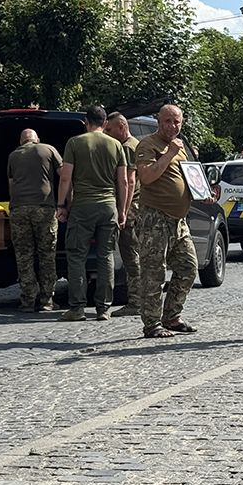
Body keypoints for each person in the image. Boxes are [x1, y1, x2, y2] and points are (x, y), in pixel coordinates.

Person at [133, 104, 208, 339]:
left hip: (178, 220)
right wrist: (169, 155)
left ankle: (172, 316)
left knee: (188, 267)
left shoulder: (180, 147)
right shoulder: (148, 145)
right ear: (159, 121)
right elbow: (146, 177)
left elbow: (185, 178)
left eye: (177, 122)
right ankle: (152, 324)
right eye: (168, 121)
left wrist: (201, 192)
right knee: (153, 272)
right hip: (155, 217)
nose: (172, 126)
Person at [56, 106, 128, 322]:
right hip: (108, 207)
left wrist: (61, 205)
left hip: (83, 206)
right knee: (106, 256)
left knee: (76, 256)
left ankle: (77, 307)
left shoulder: (75, 143)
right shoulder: (116, 145)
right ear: (105, 123)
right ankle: (103, 308)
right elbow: (123, 181)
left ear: (86, 122)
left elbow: (66, 178)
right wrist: (122, 210)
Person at [7, 129, 62, 312]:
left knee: (24, 256)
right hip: (44, 207)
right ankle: (46, 300)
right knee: (47, 254)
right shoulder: (48, 149)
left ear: (21, 141)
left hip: (19, 209)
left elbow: (11, 185)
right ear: (36, 139)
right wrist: (64, 203)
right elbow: (64, 175)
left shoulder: (13, 156)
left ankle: (28, 300)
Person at [104, 112, 141, 316]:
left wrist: (123, 212)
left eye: (109, 130)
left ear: (121, 127)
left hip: (131, 207)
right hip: (137, 205)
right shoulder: (136, 143)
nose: (106, 134)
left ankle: (136, 301)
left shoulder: (126, 148)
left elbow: (129, 180)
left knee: (130, 254)